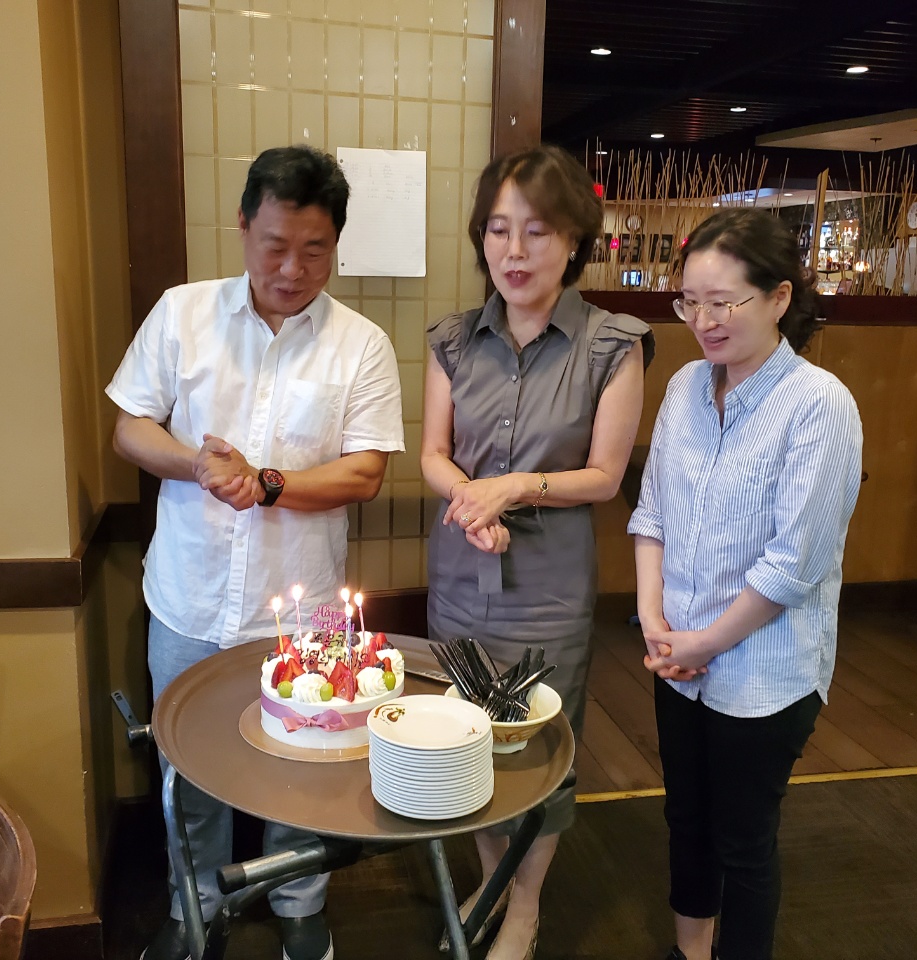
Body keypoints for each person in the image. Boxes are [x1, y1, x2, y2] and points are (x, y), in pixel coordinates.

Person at [106, 145, 404, 960]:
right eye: (275, 245)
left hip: (305, 604)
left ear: (336, 244)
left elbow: (365, 472)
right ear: (242, 225)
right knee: (186, 762)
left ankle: (299, 900)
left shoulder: (362, 344)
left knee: (308, 760)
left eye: (315, 250)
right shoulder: (183, 314)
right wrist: (197, 466)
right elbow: (130, 427)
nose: (292, 269)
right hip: (189, 594)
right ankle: (193, 904)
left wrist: (266, 482)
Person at [421, 144, 653, 960]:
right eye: (497, 229)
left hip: (548, 591)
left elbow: (604, 476)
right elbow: (433, 453)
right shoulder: (453, 340)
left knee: (540, 746)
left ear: (574, 239)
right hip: (460, 576)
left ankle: (525, 908)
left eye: (537, 231)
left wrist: (511, 488)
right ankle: (492, 881)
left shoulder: (612, 344)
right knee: (464, 741)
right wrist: (470, 500)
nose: (513, 251)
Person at [628, 208, 863, 960]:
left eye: (723, 303)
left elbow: (793, 565)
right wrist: (653, 619)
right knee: (686, 820)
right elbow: (652, 515)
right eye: (689, 302)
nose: (703, 322)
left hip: (765, 672)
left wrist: (705, 641)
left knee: (743, 840)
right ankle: (689, 951)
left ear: (779, 298)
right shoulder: (685, 388)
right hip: (678, 657)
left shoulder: (819, 405)